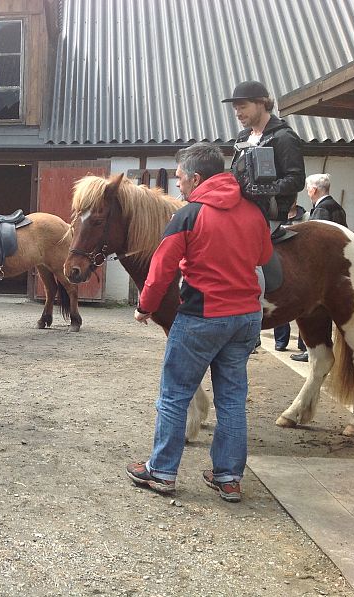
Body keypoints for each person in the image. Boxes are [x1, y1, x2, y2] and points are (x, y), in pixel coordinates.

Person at [126, 142, 272, 503]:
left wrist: (145, 306)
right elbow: (265, 256)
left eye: (179, 178)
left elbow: (162, 269)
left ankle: (161, 472)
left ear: (195, 177)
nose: (178, 185)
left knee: (174, 394)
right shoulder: (253, 212)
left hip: (202, 316)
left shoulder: (189, 215)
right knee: (233, 399)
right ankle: (228, 477)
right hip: (245, 319)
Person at [222, 80, 306, 239]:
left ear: (261, 103)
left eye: (243, 107)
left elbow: (297, 179)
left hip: (268, 216)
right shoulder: (243, 137)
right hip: (239, 210)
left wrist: (269, 189)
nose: (237, 113)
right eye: (236, 108)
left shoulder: (284, 137)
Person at [291, 173, 347, 362]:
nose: (308, 192)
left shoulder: (321, 211)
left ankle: (310, 350)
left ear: (313, 190)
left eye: (308, 189)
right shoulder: (337, 207)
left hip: (323, 269)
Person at [273, 201, 308, 352]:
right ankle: (281, 341)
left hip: (299, 263)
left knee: (303, 305)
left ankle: (303, 343)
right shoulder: (277, 216)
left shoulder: (305, 216)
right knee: (279, 302)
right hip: (280, 262)